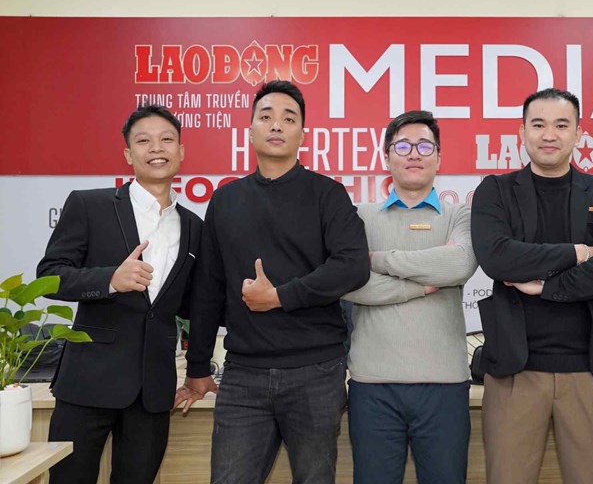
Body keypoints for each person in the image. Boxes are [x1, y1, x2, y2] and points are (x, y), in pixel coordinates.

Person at [174, 80, 370, 483]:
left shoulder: (328, 194)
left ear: (303, 134)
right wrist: (197, 367)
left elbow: (353, 266)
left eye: (288, 118)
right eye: (266, 117)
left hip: (316, 372)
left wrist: (280, 296)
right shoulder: (225, 200)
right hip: (243, 373)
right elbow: (208, 289)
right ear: (250, 131)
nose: (277, 125)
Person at [470, 88, 593, 484]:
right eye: (538, 124)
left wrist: (546, 288)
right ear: (522, 132)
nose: (549, 134)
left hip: (589, 371)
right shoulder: (496, 190)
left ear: (578, 133)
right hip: (514, 372)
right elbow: (497, 258)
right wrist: (578, 252)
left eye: (561, 125)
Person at [37, 104, 202, 484]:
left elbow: (195, 304)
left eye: (166, 140)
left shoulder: (195, 226)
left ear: (181, 151)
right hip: (87, 383)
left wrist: (199, 367)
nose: (156, 148)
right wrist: (111, 278)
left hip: (153, 392)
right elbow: (49, 276)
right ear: (128, 154)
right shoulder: (89, 205)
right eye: (143, 141)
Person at [343, 110, 478, 484]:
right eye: (403, 146)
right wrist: (420, 284)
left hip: (445, 386)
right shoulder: (359, 217)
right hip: (373, 387)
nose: (414, 153)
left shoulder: (461, 215)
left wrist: (378, 260)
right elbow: (349, 283)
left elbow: (458, 265)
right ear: (387, 157)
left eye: (424, 146)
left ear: (439, 157)